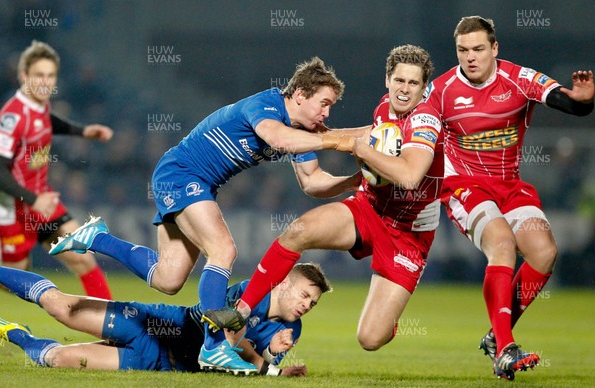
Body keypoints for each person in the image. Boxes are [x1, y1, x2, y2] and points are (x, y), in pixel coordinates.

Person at [49, 56, 363, 373]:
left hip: (196, 184)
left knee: (168, 278)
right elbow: (279, 138)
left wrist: (355, 180)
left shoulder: (300, 131)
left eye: (330, 106)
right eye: (324, 103)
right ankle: (213, 347)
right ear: (299, 95)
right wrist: (341, 140)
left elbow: (313, 181)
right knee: (223, 250)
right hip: (182, 174)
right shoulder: (267, 105)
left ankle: (96, 238)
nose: (326, 113)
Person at [204, 44, 443, 353]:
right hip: (369, 207)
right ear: (387, 80)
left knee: (370, 338)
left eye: (413, 83)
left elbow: (409, 176)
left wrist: (362, 150)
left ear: (424, 88)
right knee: (299, 231)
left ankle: (391, 316)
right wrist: (328, 136)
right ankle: (243, 310)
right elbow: (370, 132)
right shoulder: (385, 107)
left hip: (408, 234)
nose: (404, 89)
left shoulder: (426, 120)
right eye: (399, 81)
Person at [422, 16, 594, 380]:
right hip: (464, 186)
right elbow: (411, 128)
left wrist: (584, 101)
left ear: (495, 48)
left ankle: (496, 337)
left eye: (479, 49)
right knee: (501, 244)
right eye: (463, 50)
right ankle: (505, 348)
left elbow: (569, 103)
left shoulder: (519, 78)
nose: (470, 57)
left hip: (509, 185)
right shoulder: (440, 91)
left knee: (545, 252)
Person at [0, 262, 330, 376]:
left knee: (60, 358)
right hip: (155, 324)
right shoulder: (248, 293)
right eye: (304, 295)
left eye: (312, 303)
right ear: (284, 284)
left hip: (160, 363)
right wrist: (267, 363)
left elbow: (256, 370)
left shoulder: (290, 330)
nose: (306, 305)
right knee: (61, 309)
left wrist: (273, 357)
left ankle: (16, 333)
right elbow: (232, 344)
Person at [0, 40, 113, 299]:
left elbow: (48, 121)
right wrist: (33, 200)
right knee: (14, 278)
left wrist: (83, 132)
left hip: (42, 202)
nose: (45, 82)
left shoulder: (39, 106)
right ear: (24, 76)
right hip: (12, 208)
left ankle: (113, 328)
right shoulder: (11, 118)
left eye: (50, 76)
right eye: (39, 75)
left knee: (84, 259)